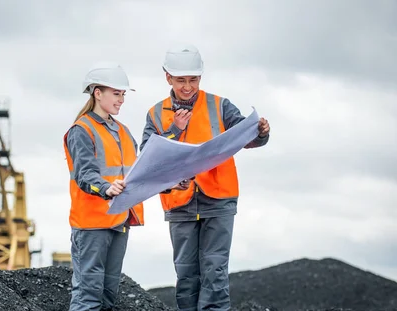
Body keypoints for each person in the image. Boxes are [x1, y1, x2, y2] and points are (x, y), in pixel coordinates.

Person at [140, 44, 271, 311]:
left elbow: (246, 136)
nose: (187, 86)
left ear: (200, 77)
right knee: (186, 275)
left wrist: (260, 133)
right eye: (181, 80)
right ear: (168, 77)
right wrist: (174, 130)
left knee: (215, 271)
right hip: (180, 202)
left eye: (193, 79)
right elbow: (148, 158)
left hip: (219, 199)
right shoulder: (156, 114)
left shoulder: (220, 106)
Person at [63, 61, 145, 311]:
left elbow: (139, 171)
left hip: (119, 220)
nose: (121, 100)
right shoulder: (82, 130)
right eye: (116, 94)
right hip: (91, 225)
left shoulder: (123, 132)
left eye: (123, 94)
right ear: (98, 93)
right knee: (88, 296)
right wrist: (106, 187)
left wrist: (170, 182)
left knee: (108, 295)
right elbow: (85, 174)